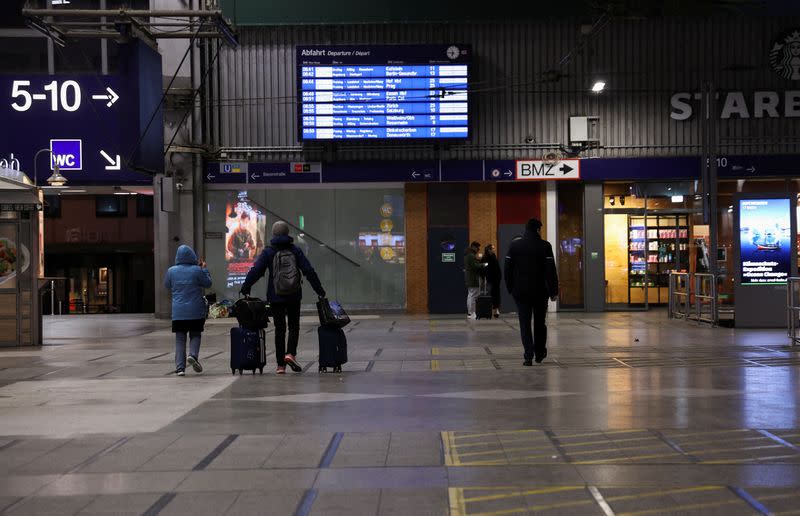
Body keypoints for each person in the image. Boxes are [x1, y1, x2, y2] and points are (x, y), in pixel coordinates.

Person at [240, 221, 326, 374]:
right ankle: (290, 353)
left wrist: (246, 287)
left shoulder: (268, 252)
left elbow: (256, 271)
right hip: (294, 295)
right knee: (294, 326)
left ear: (274, 234)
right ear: (287, 234)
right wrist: (319, 290)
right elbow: (308, 270)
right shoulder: (295, 250)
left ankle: (280, 365)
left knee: (280, 329)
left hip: (275, 296)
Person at [504, 218, 559, 365]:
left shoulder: (515, 246)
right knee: (540, 323)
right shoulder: (545, 246)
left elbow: (507, 268)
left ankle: (528, 356)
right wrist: (554, 291)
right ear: (538, 229)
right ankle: (539, 353)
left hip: (520, 292)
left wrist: (510, 287)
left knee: (525, 323)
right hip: (540, 292)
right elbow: (551, 271)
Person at [163, 245, 212, 376]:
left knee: (180, 339)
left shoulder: (171, 271)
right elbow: (208, 284)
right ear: (192, 256)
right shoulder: (197, 270)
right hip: (196, 311)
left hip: (178, 312)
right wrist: (204, 270)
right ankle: (193, 356)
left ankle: (180, 368)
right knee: (195, 335)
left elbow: (167, 285)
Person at [464, 241, 488, 320]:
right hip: (473, 278)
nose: (478, 249)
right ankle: (472, 313)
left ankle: (470, 313)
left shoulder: (468, 255)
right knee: (473, 296)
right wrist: (483, 264)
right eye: (477, 247)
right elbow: (475, 266)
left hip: (470, 278)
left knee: (470, 295)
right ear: (473, 247)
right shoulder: (471, 256)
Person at [481, 244, 502, 318]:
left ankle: (496, 309)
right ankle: (488, 310)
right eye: (492, 248)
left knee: (496, 294)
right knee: (490, 294)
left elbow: (497, 267)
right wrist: (483, 277)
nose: (494, 249)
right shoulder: (485, 257)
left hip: (496, 279)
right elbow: (483, 267)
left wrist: (499, 276)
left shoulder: (494, 256)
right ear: (488, 249)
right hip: (489, 279)